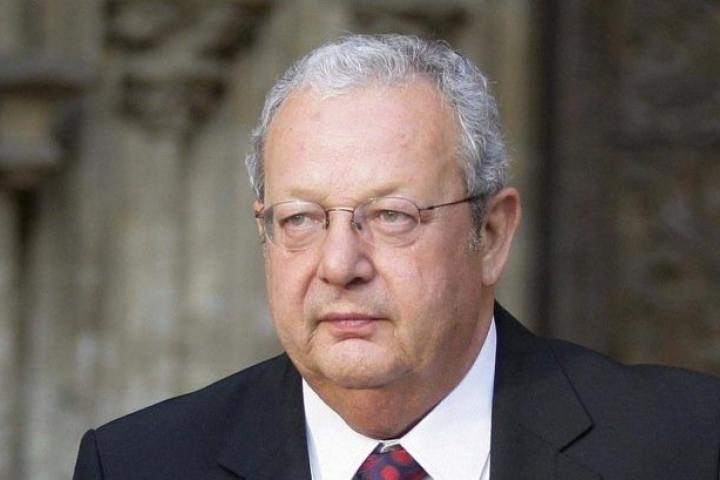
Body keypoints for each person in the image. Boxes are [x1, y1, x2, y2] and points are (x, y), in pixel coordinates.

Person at [73, 34, 720, 480]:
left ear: (492, 234)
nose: (339, 264)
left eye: (390, 216)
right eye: (300, 219)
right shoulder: (138, 465)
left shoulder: (689, 445)